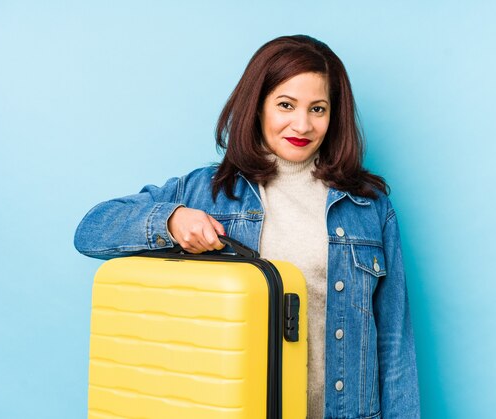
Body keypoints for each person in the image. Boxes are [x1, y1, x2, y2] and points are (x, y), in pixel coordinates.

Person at [74, 34, 420, 419]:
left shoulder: (368, 207)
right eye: (285, 105)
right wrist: (170, 220)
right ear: (257, 107)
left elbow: (394, 346)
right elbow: (91, 231)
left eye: (318, 109)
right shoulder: (207, 192)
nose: (302, 125)